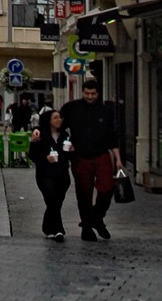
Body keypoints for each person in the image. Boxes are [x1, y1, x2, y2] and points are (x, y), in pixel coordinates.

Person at [63, 77, 121, 242]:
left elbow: (112, 136)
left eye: (93, 94)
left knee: (107, 189)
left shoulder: (106, 111)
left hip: (101, 154)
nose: (90, 97)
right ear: (82, 92)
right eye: (87, 93)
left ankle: (96, 217)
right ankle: (87, 227)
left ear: (98, 93)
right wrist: (67, 143)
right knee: (84, 193)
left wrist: (117, 158)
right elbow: (59, 126)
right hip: (80, 156)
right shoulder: (71, 108)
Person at [28, 108, 72, 240]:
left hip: (62, 174)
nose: (59, 120)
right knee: (51, 199)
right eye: (55, 118)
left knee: (56, 202)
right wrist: (45, 158)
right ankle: (58, 229)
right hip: (45, 173)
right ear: (48, 120)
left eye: (60, 118)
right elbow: (32, 155)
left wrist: (70, 151)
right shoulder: (40, 135)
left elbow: (68, 154)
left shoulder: (65, 135)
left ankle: (47, 227)